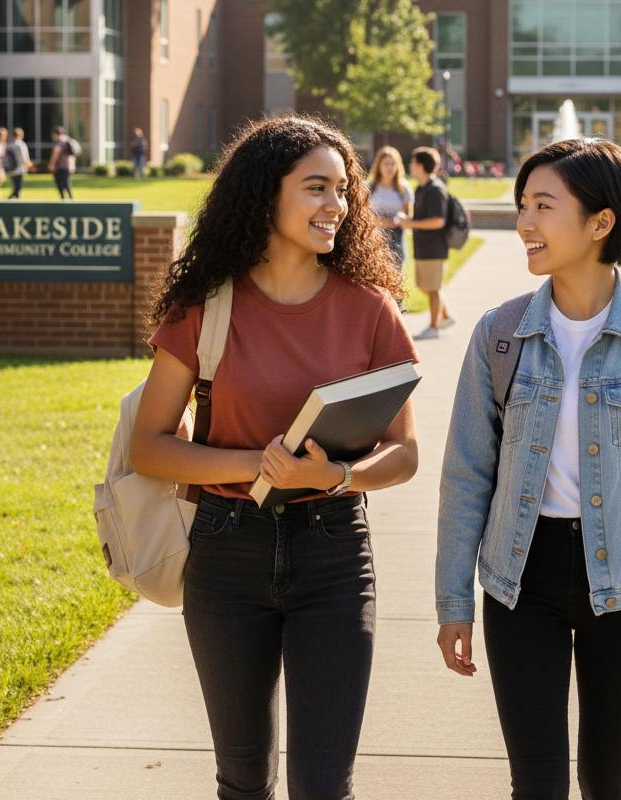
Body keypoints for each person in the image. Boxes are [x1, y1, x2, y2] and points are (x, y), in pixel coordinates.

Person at [130, 115, 420, 800]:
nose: (337, 206)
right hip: (227, 555)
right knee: (244, 782)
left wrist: (335, 477)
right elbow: (149, 446)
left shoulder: (372, 309)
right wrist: (255, 465)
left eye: (344, 191)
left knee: (323, 786)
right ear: (266, 193)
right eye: (316, 188)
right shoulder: (204, 308)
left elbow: (405, 453)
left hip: (335, 556)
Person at [436, 137, 621, 800]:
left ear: (600, 222)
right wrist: (453, 600)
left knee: (607, 784)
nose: (524, 222)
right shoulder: (498, 334)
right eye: (522, 204)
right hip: (518, 583)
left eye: (542, 205)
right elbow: (467, 476)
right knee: (534, 785)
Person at [399, 147, 455, 340]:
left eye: (413, 162)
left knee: (433, 287)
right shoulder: (421, 188)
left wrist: (411, 223)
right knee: (426, 286)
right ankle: (445, 316)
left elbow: (439, 220)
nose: (410, 166)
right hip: (423, 247)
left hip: (434, 247)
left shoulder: (435, 189)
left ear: (421, 166)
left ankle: (435, 327)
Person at [366, 145, 414, 270]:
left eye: (393, 164)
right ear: (379, 165)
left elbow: (409, 218)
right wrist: (378, 221)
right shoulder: (369, 187)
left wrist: (397, 221)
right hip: (373, 238)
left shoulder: (403, 188)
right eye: (386, 164)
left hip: (396, 239)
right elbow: (361, 215)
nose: (390, 167)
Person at [47, 126, 74, 199]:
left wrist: (51, 164)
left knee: (60, 183)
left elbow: (56, 152)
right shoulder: (67, 139)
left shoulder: (60, 141)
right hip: (67, 165)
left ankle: (63, 198)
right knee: (66, 183)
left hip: (60, 166)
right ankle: (71, 198)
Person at [7, 127, 33, 199]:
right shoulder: (20, 145)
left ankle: (13, 196)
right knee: (19, 185)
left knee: (16, 184)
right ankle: (14, 197)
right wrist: (28, 164)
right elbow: (24, 156)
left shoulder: (10, 145)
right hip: (19, 167)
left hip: (11, 168)